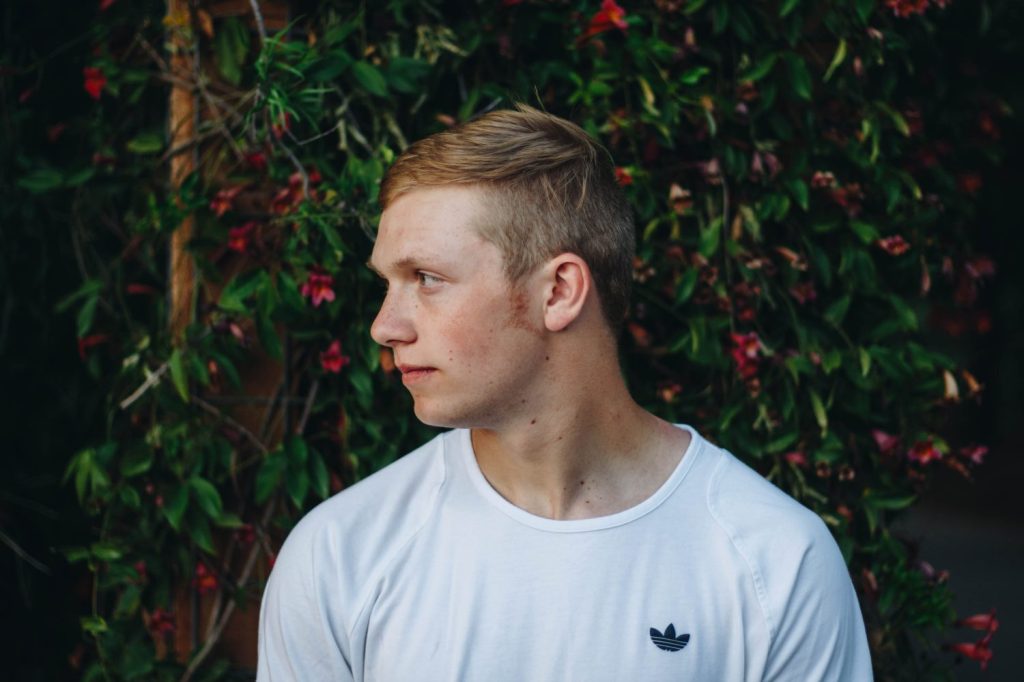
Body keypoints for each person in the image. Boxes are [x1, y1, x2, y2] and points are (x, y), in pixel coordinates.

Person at [257, 104, 872, 681]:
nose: (385, 326)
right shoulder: (341, 555)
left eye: (426, 278)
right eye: (389, 284)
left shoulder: (775, 562)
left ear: (558, 292)